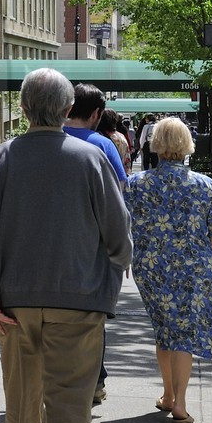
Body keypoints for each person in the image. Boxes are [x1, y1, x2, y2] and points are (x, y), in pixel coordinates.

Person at [0, 69, 132, 423]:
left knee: (21, 397)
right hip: (79, 299)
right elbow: (118, 232)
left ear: (23, 109)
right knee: (69, 405)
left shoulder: (1, 158)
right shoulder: (91, 158)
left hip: (14, 301)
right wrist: (115, 272)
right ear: (67, 109)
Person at [125, 116, 212, 423]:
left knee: (164, 328)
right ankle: (180, 402)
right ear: (187, 143)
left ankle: (168, 395)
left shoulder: (137, 184)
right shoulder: (204, 185)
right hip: (194, 268)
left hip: (151, 267)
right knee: (184, 333)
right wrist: (203, 266)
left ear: (156, 143)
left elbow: (127, 227)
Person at [65, 84, 127, 405]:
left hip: (49, 249)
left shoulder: (44, 139)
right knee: (92, 319)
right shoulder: (103, 144)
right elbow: (118, 199)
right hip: (94, 247)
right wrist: (122, 249)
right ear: (96, 114)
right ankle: (95, 382)